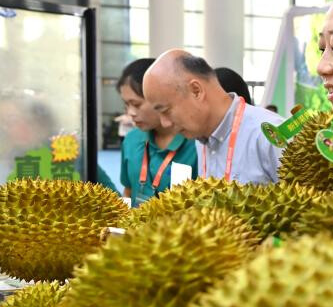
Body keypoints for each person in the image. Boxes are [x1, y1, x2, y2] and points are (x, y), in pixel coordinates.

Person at [142, 50, 284, 185]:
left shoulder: (270, 135)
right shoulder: (201, 138)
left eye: (165, 111)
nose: (164, 123)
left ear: (196, 91)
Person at [116, 57, 198, 206]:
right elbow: (128, 190)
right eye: (126, 105)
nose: (131, 113)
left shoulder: (196, 143)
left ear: (158, 97)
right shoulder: (131, 140)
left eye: (136, 104)